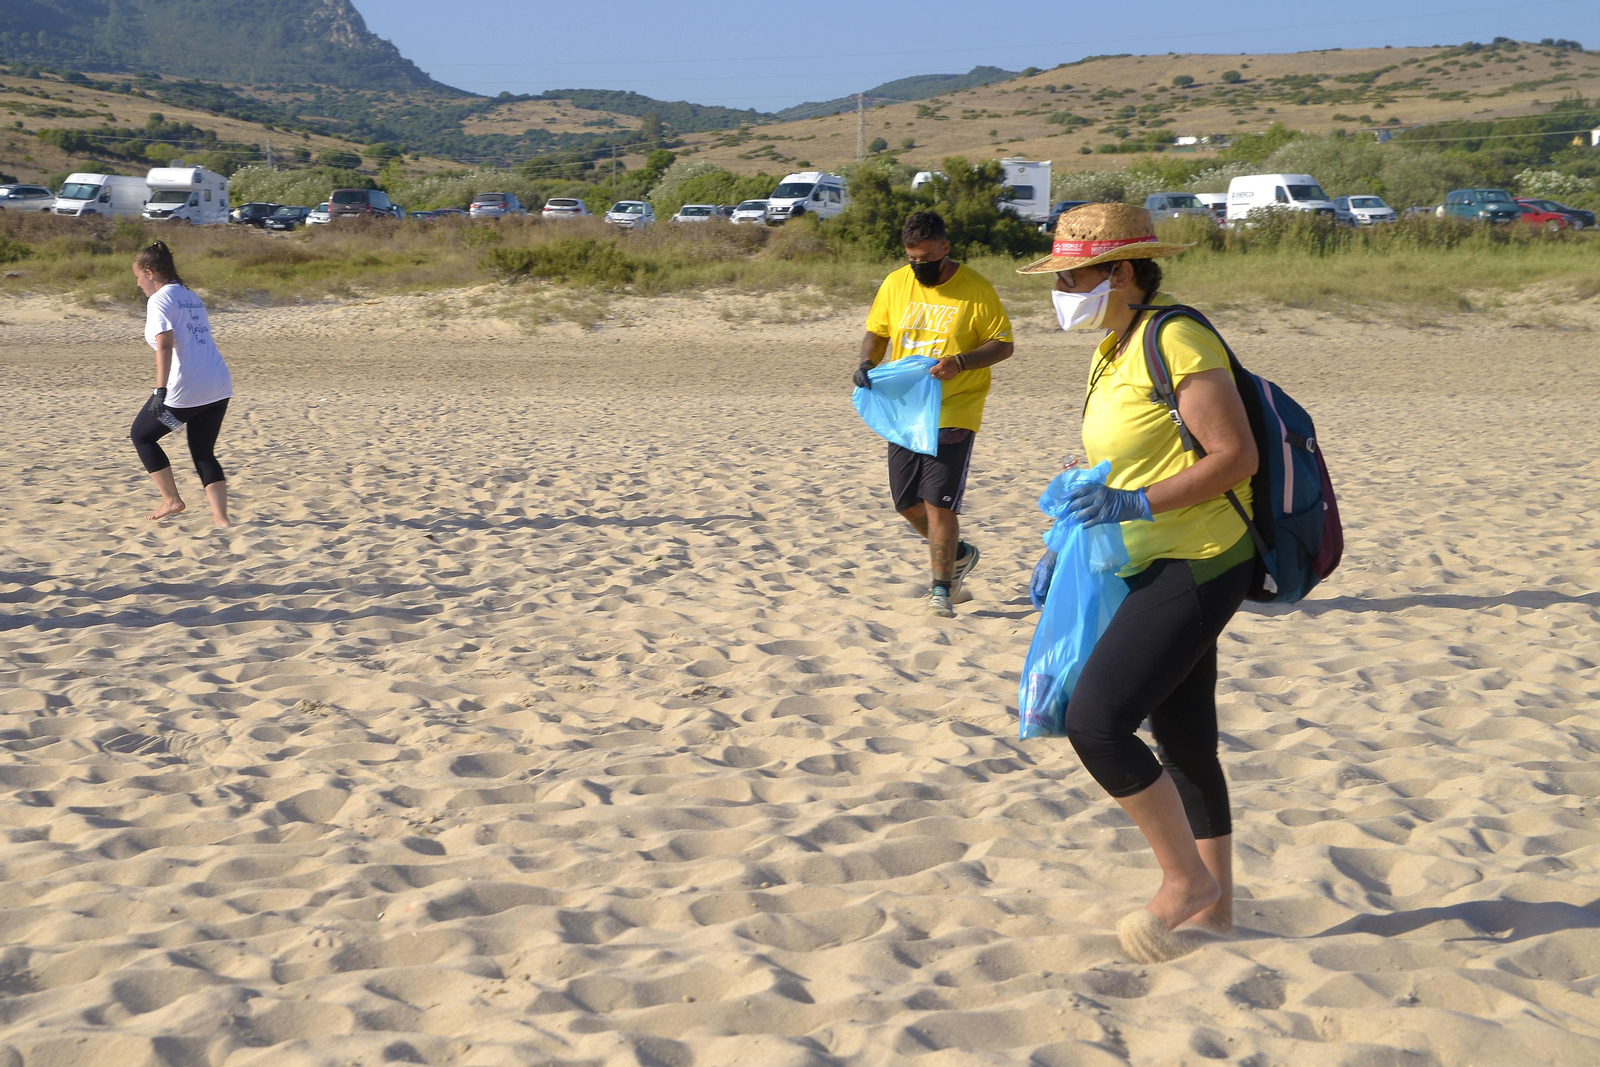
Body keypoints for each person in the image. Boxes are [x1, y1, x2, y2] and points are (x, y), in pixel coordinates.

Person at [1017, 203, 1257, 963]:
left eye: (1073, 275)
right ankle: (1217, 918)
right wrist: (1071, 532)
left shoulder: (1176, 336)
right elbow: (1127, 457)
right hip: (1142, 555)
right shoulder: (1113, 343)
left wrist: (1133, 504)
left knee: (1098, 720)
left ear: (1121, 272)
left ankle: (1184, 882)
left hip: (1203, 553)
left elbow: (1234, 456)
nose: (1062, 289)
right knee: (1183, 740)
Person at [856, 211, 1014, 618]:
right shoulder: (895, 283)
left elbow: (1003, 344)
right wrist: (867, 362)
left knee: (939, 504)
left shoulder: (975, 288)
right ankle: (958, 555)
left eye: (927, 258)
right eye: (912, 259)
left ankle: (941, 590)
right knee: (907, 502)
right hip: (907, 410)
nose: (919, 266)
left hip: (955, 409)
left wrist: (961, 361)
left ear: (946, 247)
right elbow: (878, 331)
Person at [129, 241, 234, 527]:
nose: (138, 284)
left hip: (186, 387)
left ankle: (172, 499)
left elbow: (165, 344)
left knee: (142, 435)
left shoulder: (160, 299)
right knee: (203, 451)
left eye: (138, 276)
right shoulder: (190, 295)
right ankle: (221, 520)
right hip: (218, 383)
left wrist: (159, 392)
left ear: (150, 273)